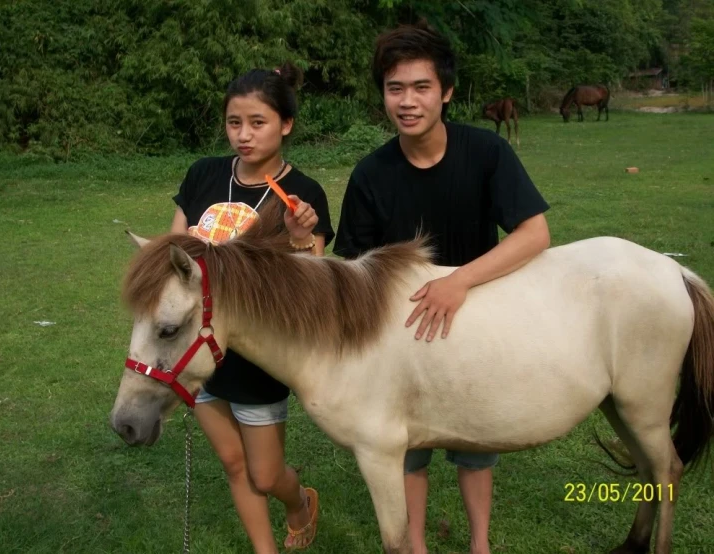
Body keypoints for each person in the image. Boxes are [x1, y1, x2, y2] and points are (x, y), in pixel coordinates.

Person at [333, 21, 551, 554]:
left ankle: (481, 545)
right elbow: (350, 268)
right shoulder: (370, 175)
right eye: (395, 88)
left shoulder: (486, 153)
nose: (407, 102)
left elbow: (535, 234)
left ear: (447, 92)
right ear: (383, 94)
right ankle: (418, 545)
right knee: (407, 448)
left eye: (421, 87)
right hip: (399, 332)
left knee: (476, 446)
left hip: (474, 316)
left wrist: (459, 282)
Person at [171, 61, 334, 553]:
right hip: (199, 349)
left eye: (258, 123)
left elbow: (310, 291)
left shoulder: (302, 196)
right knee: (233, 464)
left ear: (286, 124)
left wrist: (300, 238)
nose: (243, 135)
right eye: (234, 122)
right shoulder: (204, 174)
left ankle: (299, 501)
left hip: (258, 357)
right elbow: (175, 253)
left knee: (264, 474)